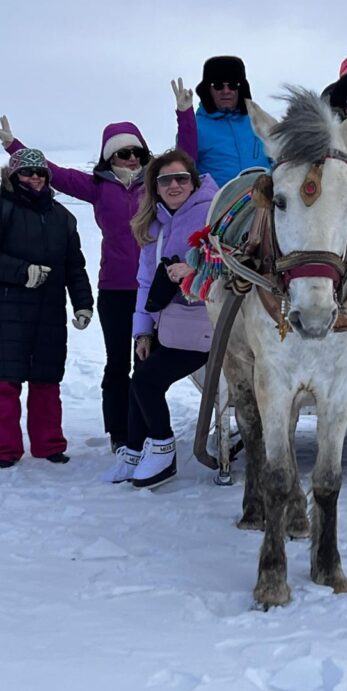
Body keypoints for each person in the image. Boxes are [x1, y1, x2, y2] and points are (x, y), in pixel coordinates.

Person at [0, 116, 150, 454]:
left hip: (153, 288)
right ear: (109, 158)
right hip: (116, 289)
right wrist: (13, 146)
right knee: (118, 363)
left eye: (137, 151)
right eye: (123, 153)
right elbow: (52, 173)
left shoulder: (157, 183)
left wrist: (184, 116)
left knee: (149, 365)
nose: (131, 158)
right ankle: (120, 433)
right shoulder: (97, 186)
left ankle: (148, 429)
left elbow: (188, 161)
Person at [100, 150, 219, 488]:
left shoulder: (213, 211)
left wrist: (194, 270)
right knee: (143, 370)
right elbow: (144, 282)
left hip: (205, 322)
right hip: (168, 323)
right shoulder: (154, 222)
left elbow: (233, 262)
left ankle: (163, 450)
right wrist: (142, 332)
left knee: (147, 381)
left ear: (193, 182)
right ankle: (135, 451)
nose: (174, 185)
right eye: (165, 180)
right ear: (155, 185)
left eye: (181, 178)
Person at [0, 149, 94, 468]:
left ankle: (48, 443)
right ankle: (3, 450)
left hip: (49, 310)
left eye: (40, 173)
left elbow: (74, 266)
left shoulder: (63, 217)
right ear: (13, 177)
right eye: (27, 173)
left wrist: (83, 303)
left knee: (46, 379)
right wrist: (22, 271)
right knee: (5, 381)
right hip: (3, 310)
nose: (35, 178)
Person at [172, 55, 269, 187]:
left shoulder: (258, 121)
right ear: (208, 89)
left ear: (241, 88)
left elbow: (279, 158)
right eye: (218, 85)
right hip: (220, 203)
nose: (226, 91)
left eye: (233, 85)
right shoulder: (196, 127)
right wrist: (185, 118)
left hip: (265, 199)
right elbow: (184, 166)